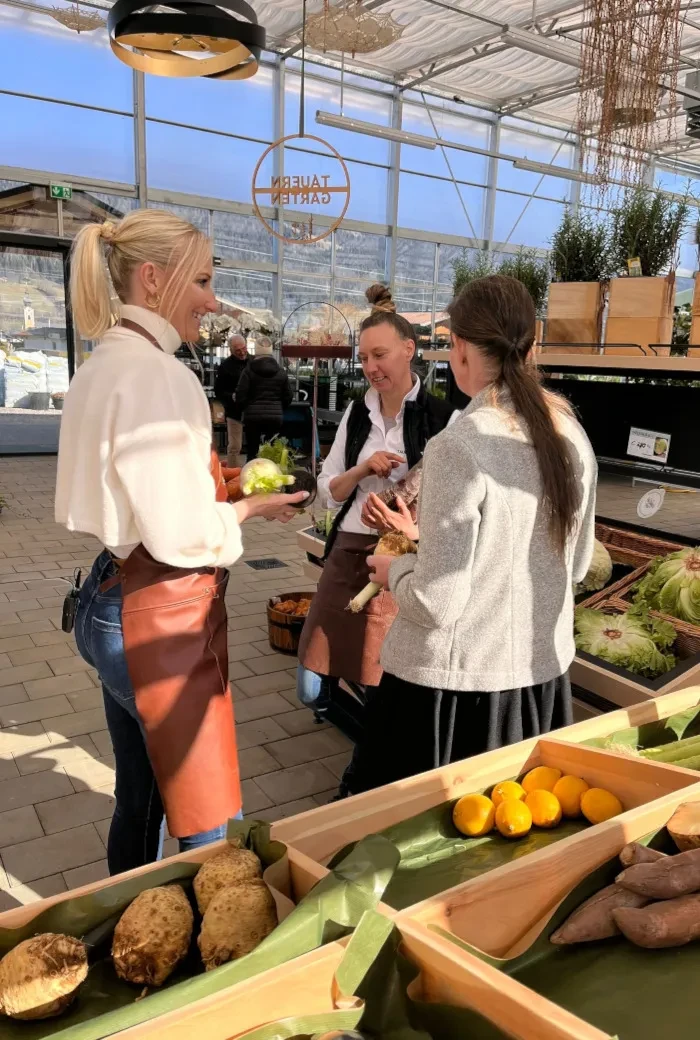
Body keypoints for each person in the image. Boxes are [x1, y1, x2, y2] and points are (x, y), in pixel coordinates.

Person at [55, 210, 307, 874]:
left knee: (139, 799)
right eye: (200, 279)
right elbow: (180, 533)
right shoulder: (159, 377)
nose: (212, 299)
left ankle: (131, 920)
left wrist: (225, 479)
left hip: (112, 600)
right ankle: (204, 955)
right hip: (161, 621)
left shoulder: (103, 364)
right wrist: (247, 506)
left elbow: (134, 489)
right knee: (208, 815)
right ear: (151, 278)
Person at [344, 275, 598, 795]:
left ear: (458, 345)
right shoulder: (571, 433)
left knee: (418, 852)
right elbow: (575, 566)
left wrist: (396, 570)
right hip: (538, 682)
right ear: (531, 344)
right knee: (512, 840)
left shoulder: (459, 444)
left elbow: (437, 602)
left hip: (450, 696)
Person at [297, 283, 456, 718]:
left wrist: (402, 513)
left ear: (409, 349)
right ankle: (367, 747)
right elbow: (330, 489)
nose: (371, 367)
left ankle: (367, 772)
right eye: (364, 357)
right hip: (347, 553)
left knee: (381, 687)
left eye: (379, 355)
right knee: (311, 686)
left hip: (399, 560)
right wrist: (363, 470)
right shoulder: (355, 412)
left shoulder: (445, 419)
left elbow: (453, 506)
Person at [235, 336, 292, 460]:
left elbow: (240, 395)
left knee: (252, 452)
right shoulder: (281, 372)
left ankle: (252, 476)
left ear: (256, 351)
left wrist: (247, 407)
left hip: (252, 418)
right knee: (272, 453)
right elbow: (288, 396)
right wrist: (278, 407)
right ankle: (271, 476)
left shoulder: (248, 371)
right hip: (275, 418)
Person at [214, 333, 249, 467]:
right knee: (235, 446)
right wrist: (231, 396)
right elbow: (219, 390)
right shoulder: (225, 366)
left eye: (243, 348)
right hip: (234, 411)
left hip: (252, 409)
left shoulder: (253, 362)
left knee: (254, 445)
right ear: (231, 350)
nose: (241, 352)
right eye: (237, 351)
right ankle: (232, 473)